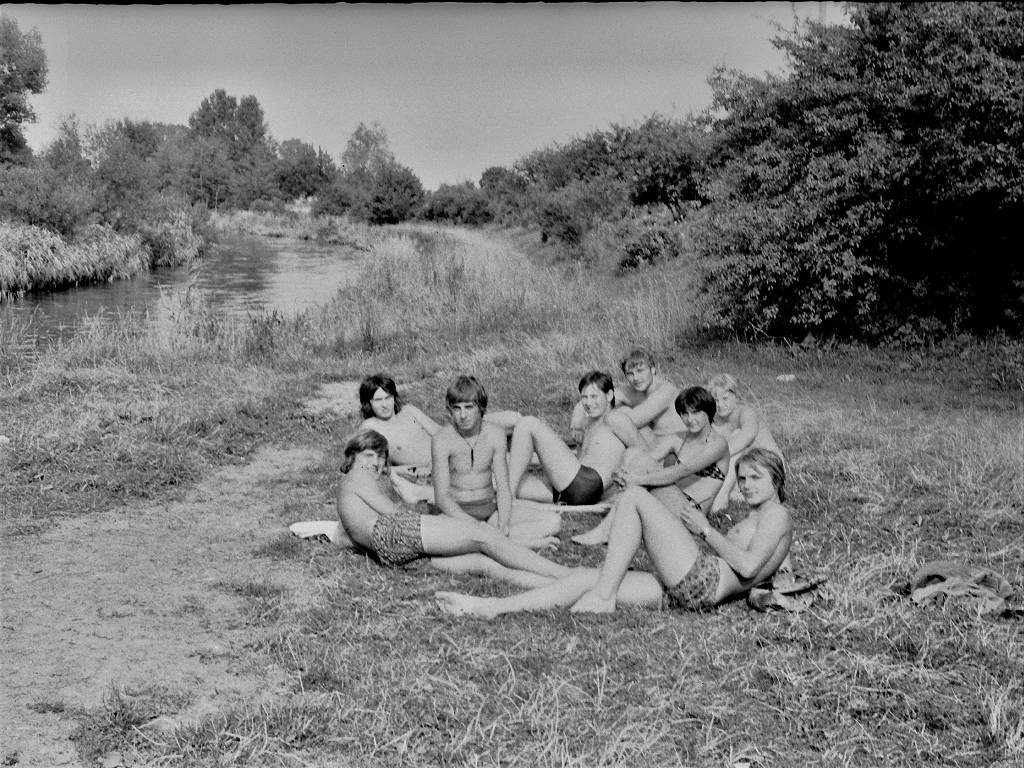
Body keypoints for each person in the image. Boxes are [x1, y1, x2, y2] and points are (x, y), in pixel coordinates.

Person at [434, 448, 793, 618]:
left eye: (755, 478)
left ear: (776, 480)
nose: (746, 485)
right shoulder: (767, 518)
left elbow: (748, 566)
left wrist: (706, 530)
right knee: (582, 577)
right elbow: (766, 569)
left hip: (703, 580)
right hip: (695, 589)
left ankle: (604, 596)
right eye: (742, 478)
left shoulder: (777, 516)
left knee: (635, 496)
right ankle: (490, 607)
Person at [336, 429, 570, 588]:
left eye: (380, 458)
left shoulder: (346, 492)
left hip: (390, 554)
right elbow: (394, 515)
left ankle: (554, 586)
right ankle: (564, 575)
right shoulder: (357, 476)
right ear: (352, 457)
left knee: (482, 563)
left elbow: (349, 536)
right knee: (481, 534)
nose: (375, 463)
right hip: (394, 534)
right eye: (369, 456)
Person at [571, 386, 730, 546]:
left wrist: (638, 479)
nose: (690, 419)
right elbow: (646, 458)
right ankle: (615, 518)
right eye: (685, 413)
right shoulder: (678, 438)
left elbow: (681, 472)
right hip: (669, 502)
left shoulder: (717, 443)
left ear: (708, 412)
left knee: (640, 466)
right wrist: (624, 472)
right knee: (633, 453)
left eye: (695, 413)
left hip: (691, 514)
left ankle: (606, 530)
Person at [431, 375, 561, 549]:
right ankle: (519, 543)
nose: (463, 415)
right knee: (443, 537)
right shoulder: (441, 439)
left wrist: (503, 522)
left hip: (489, 511)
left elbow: (503, 488)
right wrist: (475, 525)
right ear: (450, 410)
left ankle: (495, 541)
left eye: (469, 407)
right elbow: (442, 498)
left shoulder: (495, 434)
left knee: (554, 521)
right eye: (457, 408)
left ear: (480, 408)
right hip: (456, 516)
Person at [358, 373, 521, 503]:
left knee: (513, 419)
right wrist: (402, 470)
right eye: (378, 400)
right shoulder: (371, 427)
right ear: (368, 403)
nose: (385, 404)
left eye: (388, 398)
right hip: (437, 467)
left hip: (450, 443)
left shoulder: (409, 412)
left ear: (394, 397)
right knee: (499, 469)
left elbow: (438, 431)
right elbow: (363, 465)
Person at [507, 371, 641, 507]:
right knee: (502, 482)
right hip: (576, 490)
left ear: (609, 395)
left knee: (527, 423)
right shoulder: (590, 424)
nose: (588, 403)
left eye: (594, 396)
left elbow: (643, 450)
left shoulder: (615, 418)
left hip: (586, 484)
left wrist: (630, 482)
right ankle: (507, 493)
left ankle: (507, 498)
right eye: (584, 397)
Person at [569, 348, 684, 456]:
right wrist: (577, 423)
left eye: (640, 371)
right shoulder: (632, 390)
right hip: (653, 444)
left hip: (675, 449)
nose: (636, 378)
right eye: (630, 373)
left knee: (620, 414)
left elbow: (632, 420)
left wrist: (590, 425)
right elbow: (592, 401)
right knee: (608, 411)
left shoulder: (665, 391)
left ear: (652, 369)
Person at [705, 374, 785, 514]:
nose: (720, 404)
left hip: (768, 469)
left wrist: (715, 456)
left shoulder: (746, 412)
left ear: (736, 397)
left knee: (736, 439)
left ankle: (721, 497)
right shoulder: (713, 419)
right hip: (742, 473)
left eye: (725, 398)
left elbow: (747, 436)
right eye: (716, 400)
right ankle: (728, 493)